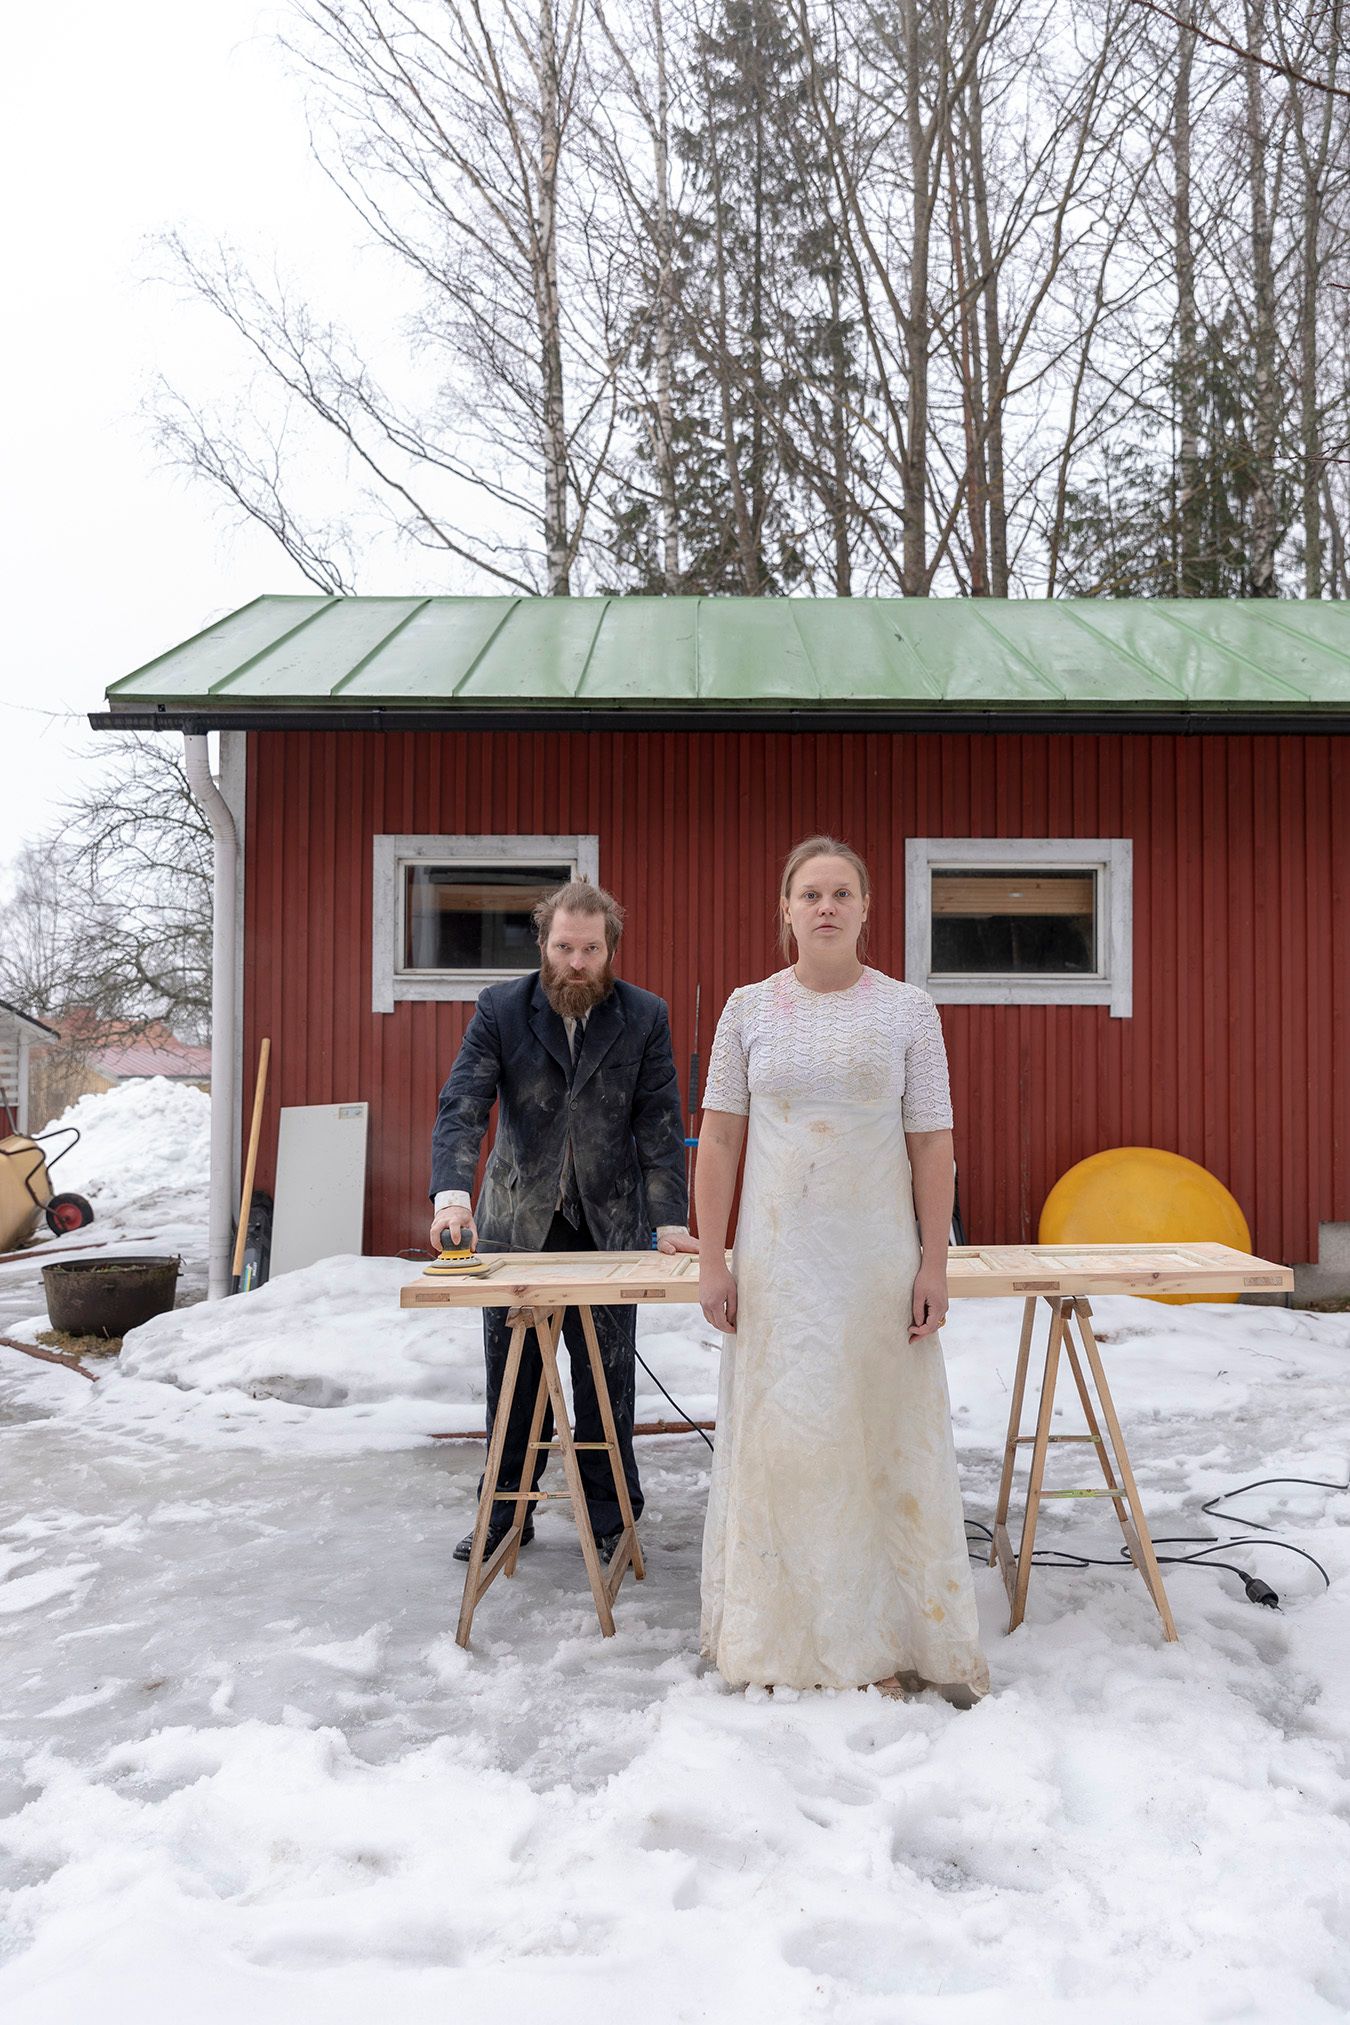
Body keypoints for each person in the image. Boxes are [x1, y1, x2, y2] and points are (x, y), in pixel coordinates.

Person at [695, 836, 989, 1700]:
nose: (825, 906)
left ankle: (888, 1635)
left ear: (866, 909)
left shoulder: (909, 1011)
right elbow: (718, 1139)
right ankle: (783, 1637)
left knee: (877, 1432)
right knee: (790, 1437)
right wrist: (714, 1259)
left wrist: (936, 1260)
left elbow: (932, 1142)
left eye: (842, 893)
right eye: (809, 893)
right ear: (784, 909)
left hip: (874, 1260)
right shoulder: (748, 1010)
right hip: (780, 1261)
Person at [430, 878, 693, 1567]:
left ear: (611, 949)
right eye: (564, 946)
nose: (577, 962)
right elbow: (463, 1102)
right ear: (543, 943)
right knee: (514, 1380)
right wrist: (452, 1194)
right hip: (519, 1225)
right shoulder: (500, 1009)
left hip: (609, 1224)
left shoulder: (645, 1016)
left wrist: (669, 1219)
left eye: (591, 949)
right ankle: (504, 1515)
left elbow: (659, 1126)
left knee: (607, 1379)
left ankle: (612, 1516)